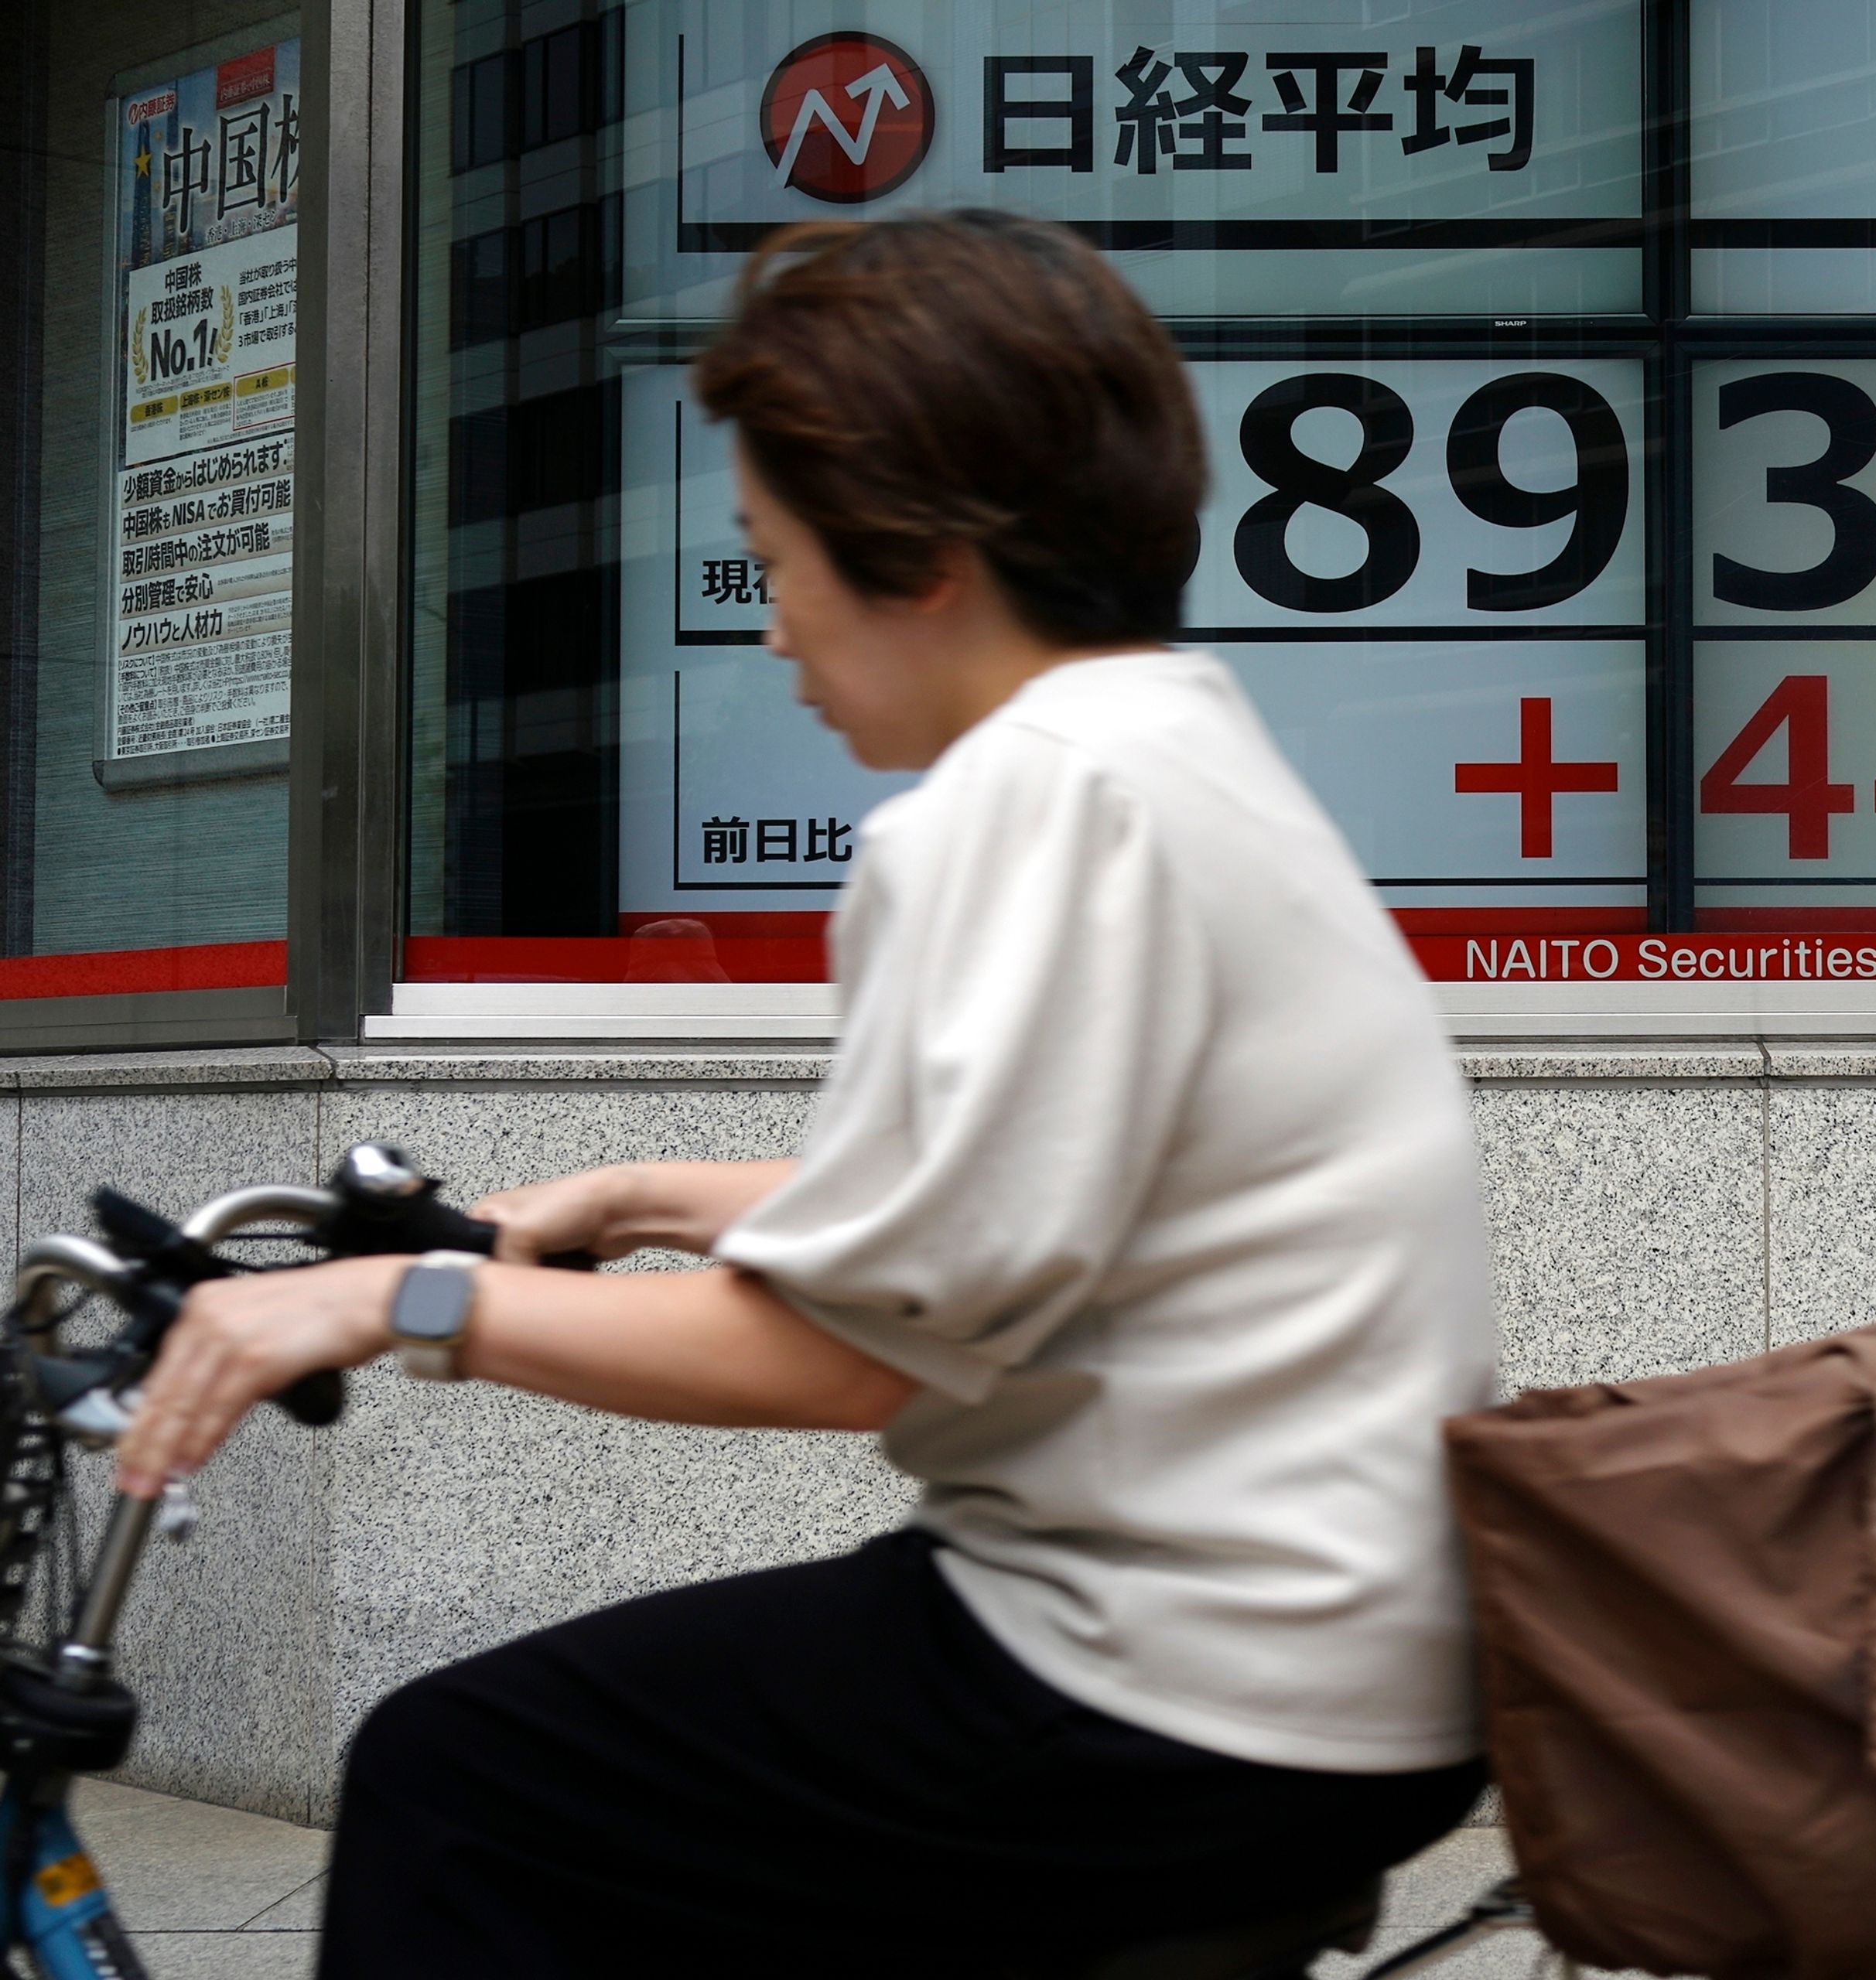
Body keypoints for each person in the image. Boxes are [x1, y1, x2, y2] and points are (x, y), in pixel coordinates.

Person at [107, 212, 1499, 1975]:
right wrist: (628, 1196)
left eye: (775, 560)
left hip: (1169, 1669)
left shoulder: (1015, 806)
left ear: (918, 554)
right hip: (1356, 1662)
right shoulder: (1172, 747)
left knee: (459, 1775)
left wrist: (398, 1295)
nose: (772, 630)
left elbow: (848, 1349)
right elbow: (1022, 1209)